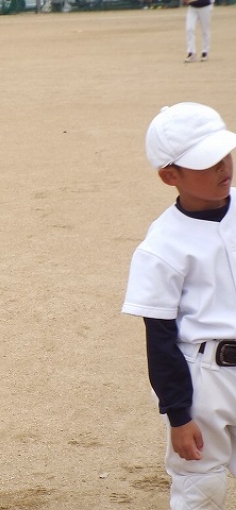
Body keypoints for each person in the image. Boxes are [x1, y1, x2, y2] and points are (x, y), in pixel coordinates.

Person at [122, 102, 236, 509]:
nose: (223, 167)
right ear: (170, 175)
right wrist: (179, 415)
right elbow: (160, 339)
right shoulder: (161, 246)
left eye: (225, 154)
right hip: (206, 377)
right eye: (207, 162)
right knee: (201, 487)